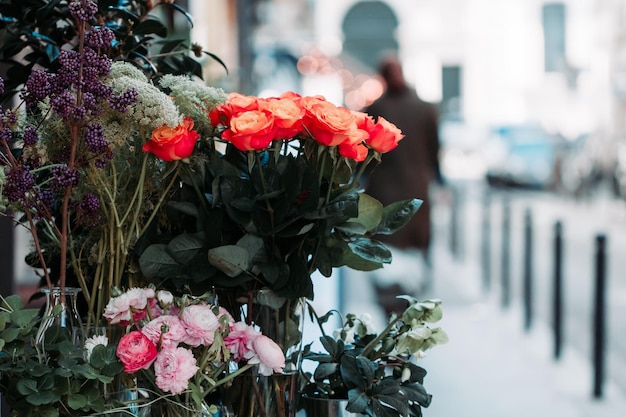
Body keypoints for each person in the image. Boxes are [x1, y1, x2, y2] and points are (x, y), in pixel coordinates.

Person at [363, 54, 443, 310]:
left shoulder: (375, 110)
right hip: (418, 193)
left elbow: (362, 158)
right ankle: (412, 304)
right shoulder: (425, 109)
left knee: (386, 257)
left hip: (383, 196)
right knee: (415, 252)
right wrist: (439, 182)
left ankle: (390, 309)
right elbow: (435, 153)